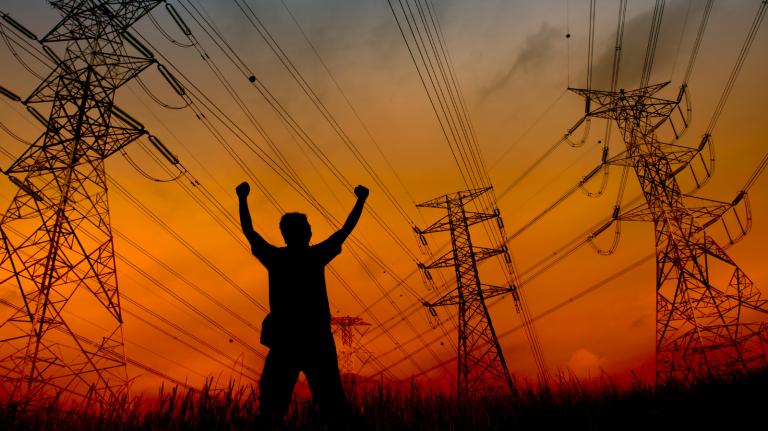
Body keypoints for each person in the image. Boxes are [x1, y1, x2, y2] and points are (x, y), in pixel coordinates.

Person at [236, 181, 369, 429]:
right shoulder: (314, 256)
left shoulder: (276, 258)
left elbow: (249, 231)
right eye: (307, 227)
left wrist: (242, 198)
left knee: (271, 409)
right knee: (332, 407)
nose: (309, 230)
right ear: (305, 233)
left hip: (285, 341)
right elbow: (345, 230)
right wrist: (361, 200)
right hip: (316, 341)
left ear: (285, 234)